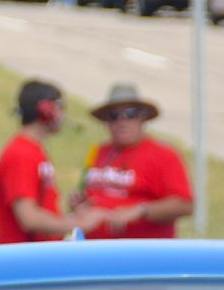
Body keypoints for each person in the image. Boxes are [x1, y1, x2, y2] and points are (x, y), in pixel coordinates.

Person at [73, 84, 193, 239]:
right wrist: (81, 204)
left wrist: (140, 211)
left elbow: (184, 205)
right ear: (106, 122)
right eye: (113, 115)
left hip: (140, 253)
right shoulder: (99, 152)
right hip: (96, 249)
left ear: (142, 117)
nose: (122, 121)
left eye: (131, 114)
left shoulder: (164, 155)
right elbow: (95, 193)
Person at [0, 79, 81, 243]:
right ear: (47, 110)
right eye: (60, 106)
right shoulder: (22, 153)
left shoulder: (32, 150)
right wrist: (78, 223)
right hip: (23, 262)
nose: (63, 114)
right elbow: (30, 218)